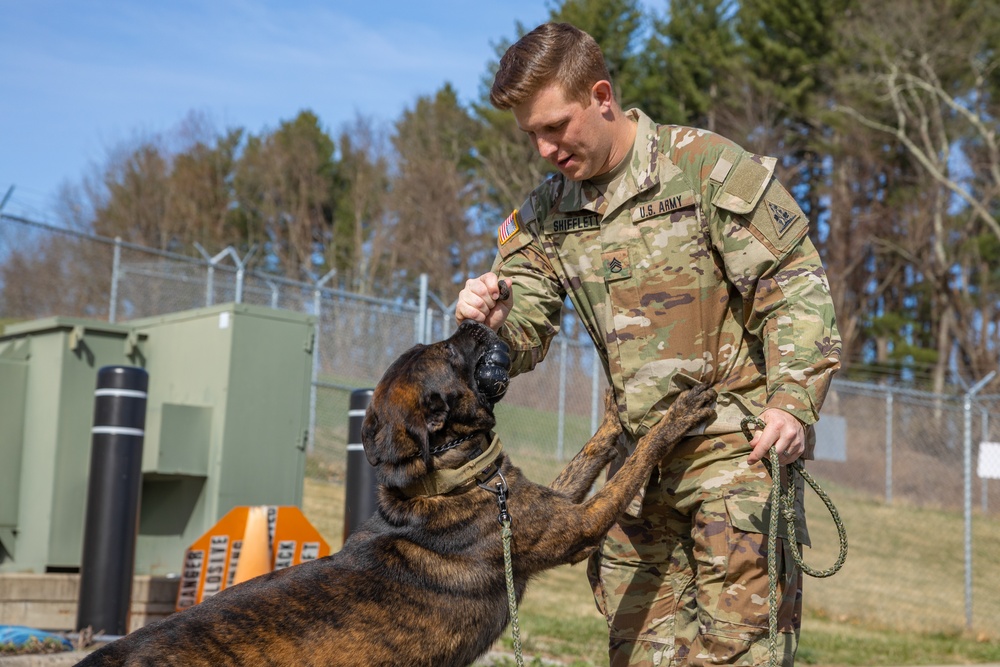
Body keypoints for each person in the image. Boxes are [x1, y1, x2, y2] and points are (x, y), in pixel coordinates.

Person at [455, 21, 841, 667]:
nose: (546, 148)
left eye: (557, 126)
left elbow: (795, 285)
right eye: (533, 135)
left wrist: (792, 403)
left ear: (602, 96)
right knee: (638, 654)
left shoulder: (706, 169)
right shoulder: (545, 217)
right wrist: (486, 324)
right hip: (636, 476)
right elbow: (523, 336)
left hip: (734, 458)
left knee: (738, 654)